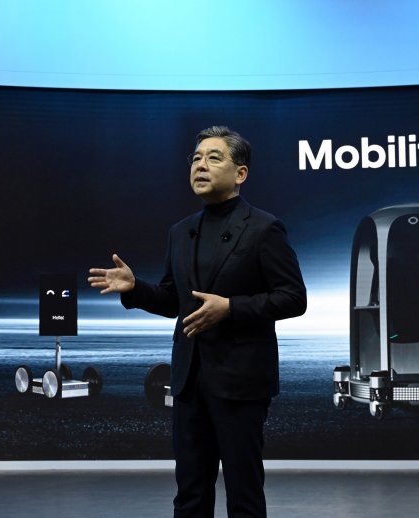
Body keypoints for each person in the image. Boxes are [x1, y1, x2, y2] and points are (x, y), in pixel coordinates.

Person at [88, 126, 307, 517]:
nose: (200, 165)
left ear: (240, 173)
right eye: (195, 158)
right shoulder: (180, 231)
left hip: (240, 382)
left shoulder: (263, 228)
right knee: (189, 494)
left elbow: (294, 298)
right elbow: (173, 300)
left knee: (244, 495)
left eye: (213, 158)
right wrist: (135, 289)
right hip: (189, 381)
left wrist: (231, 307)